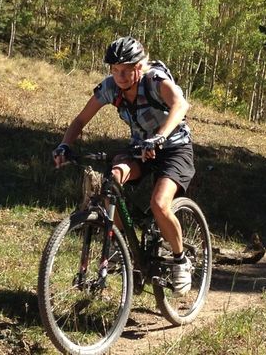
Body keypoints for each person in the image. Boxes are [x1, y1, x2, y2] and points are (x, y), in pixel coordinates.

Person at [52, 36, 195, 295]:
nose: (120, 75)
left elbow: (180, 105)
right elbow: (80, 120)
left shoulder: (155, 81)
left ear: (139, 67)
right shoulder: (110, 88)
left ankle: (179, 260)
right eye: (115, 70)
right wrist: (64, 145)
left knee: (160, 204)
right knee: (112, 181)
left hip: (174, 147)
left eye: (126, 70)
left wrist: (161, 135)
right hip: (141, 148)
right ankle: (121, 245)